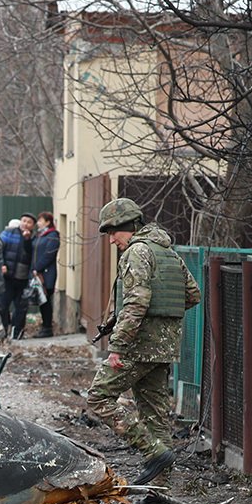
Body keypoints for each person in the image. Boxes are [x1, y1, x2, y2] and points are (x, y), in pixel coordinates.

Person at [86, 197, 200, 488]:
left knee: (98, 397)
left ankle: (154, 452)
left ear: (131, 226)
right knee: (155, 413)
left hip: (137, 345)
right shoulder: (167, 252)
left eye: (114, 232)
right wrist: (162, 320)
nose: (111, 240)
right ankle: (159, 489)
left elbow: (136, 302)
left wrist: (118, 346)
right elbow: (192, 294)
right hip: (164, 347)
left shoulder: (137, 252)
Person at [0, 213, 35, 339]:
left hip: (23, 279)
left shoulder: (33, 238)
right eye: (23, 221)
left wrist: (27, 240)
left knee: (21, 308)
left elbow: (32, 255)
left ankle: (17, 333)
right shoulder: (9, 232)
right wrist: (2, 265)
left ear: (32, 226)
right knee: (3, 306)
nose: (25, 224)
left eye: (29, 222)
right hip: (7, 277)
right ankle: (2, 332)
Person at [31, 212, 60, 337]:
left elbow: (49, 255)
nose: (38, 223)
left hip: (47, 274)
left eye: (40, 220)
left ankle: (47, 328)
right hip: (38, 273)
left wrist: (37, 268)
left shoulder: (53, 236)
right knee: (41, 301)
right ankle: (44, 327)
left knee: (46, 301)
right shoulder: (39, 235)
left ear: (48, 222)